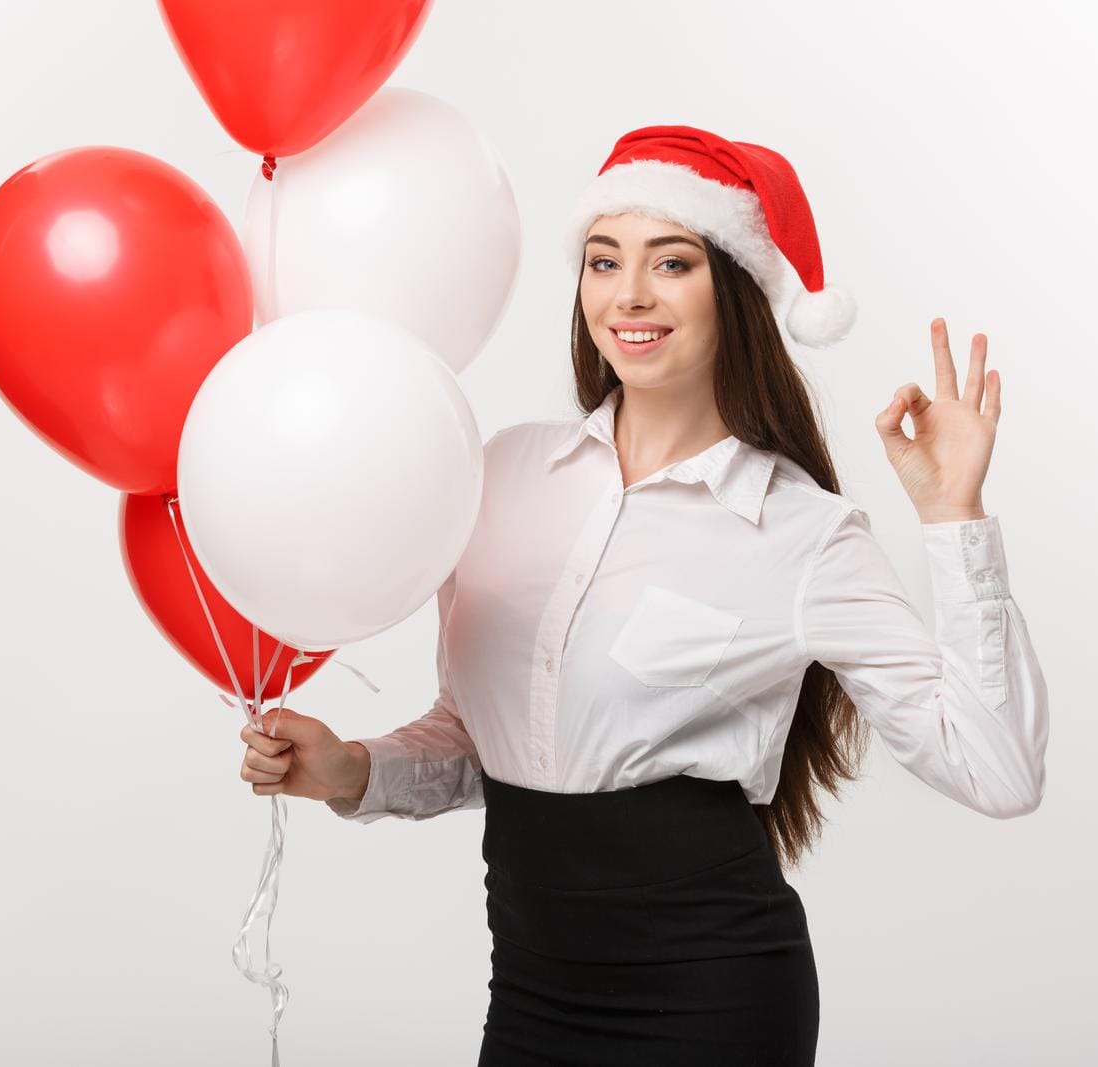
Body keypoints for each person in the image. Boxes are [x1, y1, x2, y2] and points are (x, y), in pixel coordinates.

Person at [237, 125, 1050, 1066]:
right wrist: (353, 769)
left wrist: (955, 517)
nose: (628, 295)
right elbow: (485, 738)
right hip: (533, 997)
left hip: (715, 1002)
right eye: (601, 260)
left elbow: (1000, 771)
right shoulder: (499, 476)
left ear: (735, 290)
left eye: (672, 263)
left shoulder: (801, 533)